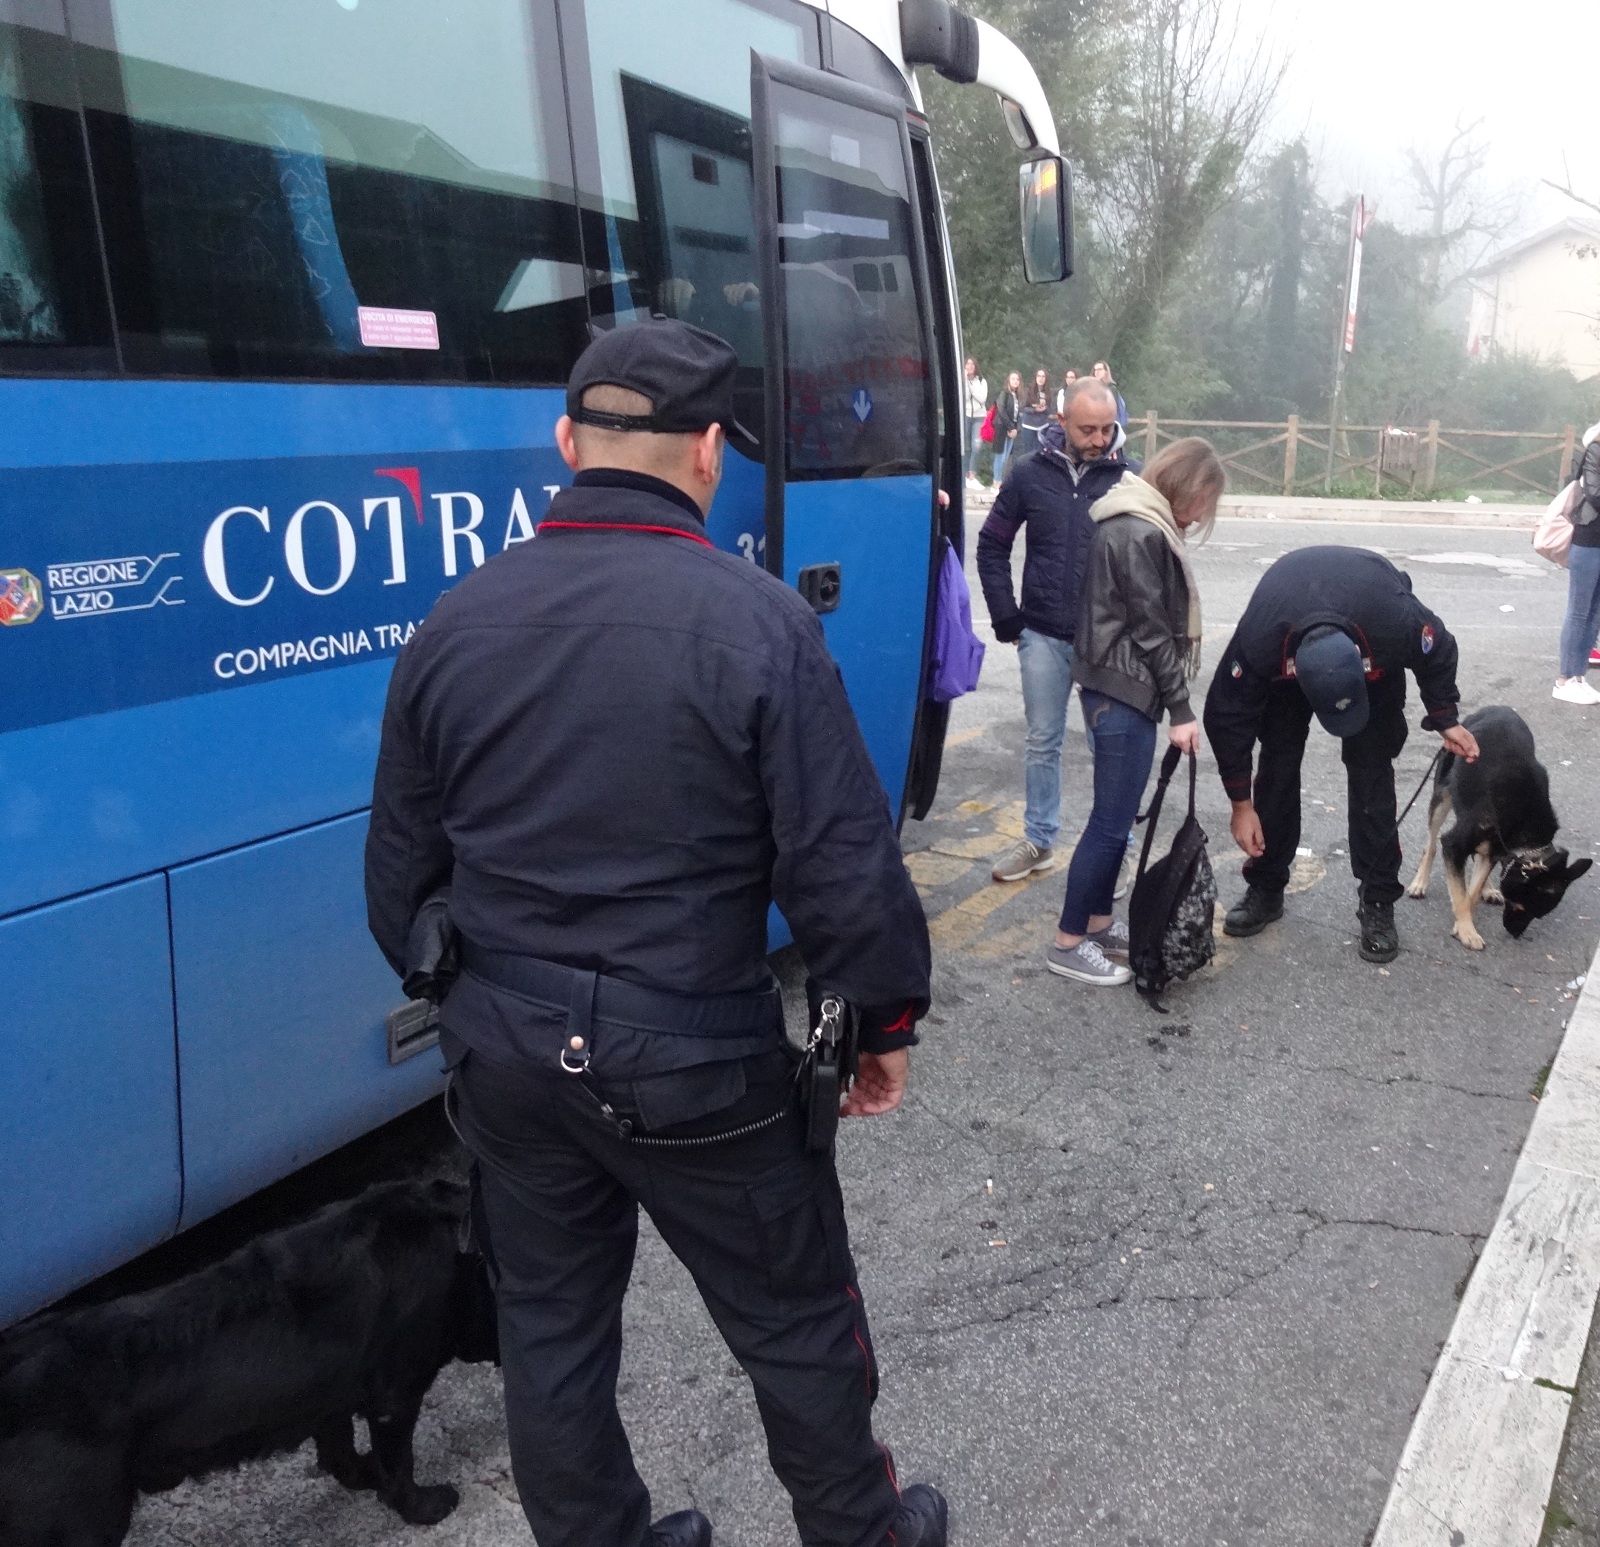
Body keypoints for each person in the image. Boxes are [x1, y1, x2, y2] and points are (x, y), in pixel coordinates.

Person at [365, 320, 947, 1547]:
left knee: (550, 1332)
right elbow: (841, 864)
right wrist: (882, 1019)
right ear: (706, 456)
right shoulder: (761, 623)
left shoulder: (452, 623)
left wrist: (485, 1010)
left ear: (568, 443)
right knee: (793, 1320)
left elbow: (400, 879)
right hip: (694, 1059)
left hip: (509, 1055)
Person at [1202, 546, 1480, 965]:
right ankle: (1266, 886)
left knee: (1372, 776)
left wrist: (1445, 717)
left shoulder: (1394, 623)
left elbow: (1438, 649)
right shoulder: (1261, 638)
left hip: (1372, 655)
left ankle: (1378, 901)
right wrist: (1241, 804)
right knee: (1276, 768)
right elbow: (1226, 715)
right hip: (1288, 656)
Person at [1049, 439, 1225, 986]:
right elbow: (1151, 631)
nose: (1203, 516)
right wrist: (1181, 709)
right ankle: (1068, 943)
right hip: (1123, 688)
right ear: (1191, 490)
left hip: (1112, 684)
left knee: (1117, 821)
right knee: (1109, 826)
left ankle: (1098, 926)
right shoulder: (1142, 530)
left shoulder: (1133, 519)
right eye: (1207, 502)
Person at [976, 377, 1132, 882]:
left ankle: (1118, 848)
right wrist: (1007, 618)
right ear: (1060, 422)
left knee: (1110, 747)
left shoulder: (1130, 479)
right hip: (1041, 635)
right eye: (1088, 429)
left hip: (1106, 643)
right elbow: (992, 545)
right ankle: (1039, 840)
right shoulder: (1028, 475)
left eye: (1108, 429)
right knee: (1043, 742)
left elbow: (1155, 562)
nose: (1099, 439)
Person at [1554, 418, 1600, 704]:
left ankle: (1579, 676)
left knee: (1595, 612)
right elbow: (1595, 495)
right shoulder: (1595, 450)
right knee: (1579, 611)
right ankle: (1564, 679)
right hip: (1588, 539)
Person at [991, 369, 1022, 484]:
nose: (1015, 381)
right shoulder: (1004, 393)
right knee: (1000, 456)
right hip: (1002, 428)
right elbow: (1001, 411)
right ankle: (996, 482)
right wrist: (1010, 428)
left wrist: (1016, 430)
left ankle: (1001, 481)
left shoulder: (1017, 396)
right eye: (1013, 379)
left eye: (1017, 379)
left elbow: (1018, 415)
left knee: (1005, 458)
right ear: (1008, 380)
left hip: (1012, 430)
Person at [963, 355, 988, 485]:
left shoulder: (982, 381)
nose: (970, 366)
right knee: (965, 446)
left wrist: (973, 388)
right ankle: (964, 473)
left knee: (976, 446)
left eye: (972, 364)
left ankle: (972, 474)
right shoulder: (962, 380)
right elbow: (965, 397)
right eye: (968, 364)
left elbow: (982, 398)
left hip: (979, 416)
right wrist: (966, 381)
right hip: (966, 415)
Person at [1018, 369, 1053, 459]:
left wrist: (1045, 408)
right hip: (1029, 425)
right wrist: (1034, 409)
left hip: (1042, 426)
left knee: (1040, 452)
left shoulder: (1048, 392)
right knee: (1028, 452)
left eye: (1043, 376)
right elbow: (1022, 408)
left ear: (1046, 379)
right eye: (1039, 376)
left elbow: (1050, 410)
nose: (1040, 378)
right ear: (1035, 378)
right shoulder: (1028, 390)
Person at [1092, 360, 1127, 426]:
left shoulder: (1112, 388)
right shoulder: (1091, 388)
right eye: (1095, 370)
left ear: (1106, 372)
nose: (1097, 372)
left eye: (1100, 369)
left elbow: (1113, 409)